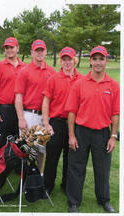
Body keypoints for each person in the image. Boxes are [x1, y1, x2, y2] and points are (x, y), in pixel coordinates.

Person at [65, 45, 119, 213]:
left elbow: (115, 114)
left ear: (106, 61)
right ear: (90, 61)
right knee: (76, 168)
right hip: (81, 132)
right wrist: (72, 135)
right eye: (94, 59)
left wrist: (113, 136)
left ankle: (104, 200)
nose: (98, 62)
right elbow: (72, 113)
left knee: (102, 169)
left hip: (102, 134)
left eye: (101, 59)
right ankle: (73, 202)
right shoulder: (80, 84)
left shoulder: (114, 85)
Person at [42, 47, 83, 196]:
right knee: (52, 156)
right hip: (56, 123)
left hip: (75, 124)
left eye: (70, 59)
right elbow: (46, 102)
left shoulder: (82, 79)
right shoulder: (53, 78)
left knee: (71, 157)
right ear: (61, 60)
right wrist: (46, 124)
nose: (67, 62)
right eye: (64, 59)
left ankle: (66, 185)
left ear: (75, 60)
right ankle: (47, 185)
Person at [14, 39, 56, 173]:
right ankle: (26, 175)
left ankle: (39, 175)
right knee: (27, 147)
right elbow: (18, 96)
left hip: (44, 117)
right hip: (29, 115)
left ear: (46, 52)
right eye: (36, 50)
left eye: (41, 50)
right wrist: (21, 118)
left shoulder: (52, 72)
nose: (39, 53)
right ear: (32, 52)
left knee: (41, 149)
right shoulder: (24, 71)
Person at [0, 37, 25, 145]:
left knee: (19, 141)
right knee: (3, 141)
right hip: (4, 110)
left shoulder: (24, 67)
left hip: (21, 110)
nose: (9, 50)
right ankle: (0, 162)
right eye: (6, 48)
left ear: (17, 48)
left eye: (11, 47)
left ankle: (15, 162)